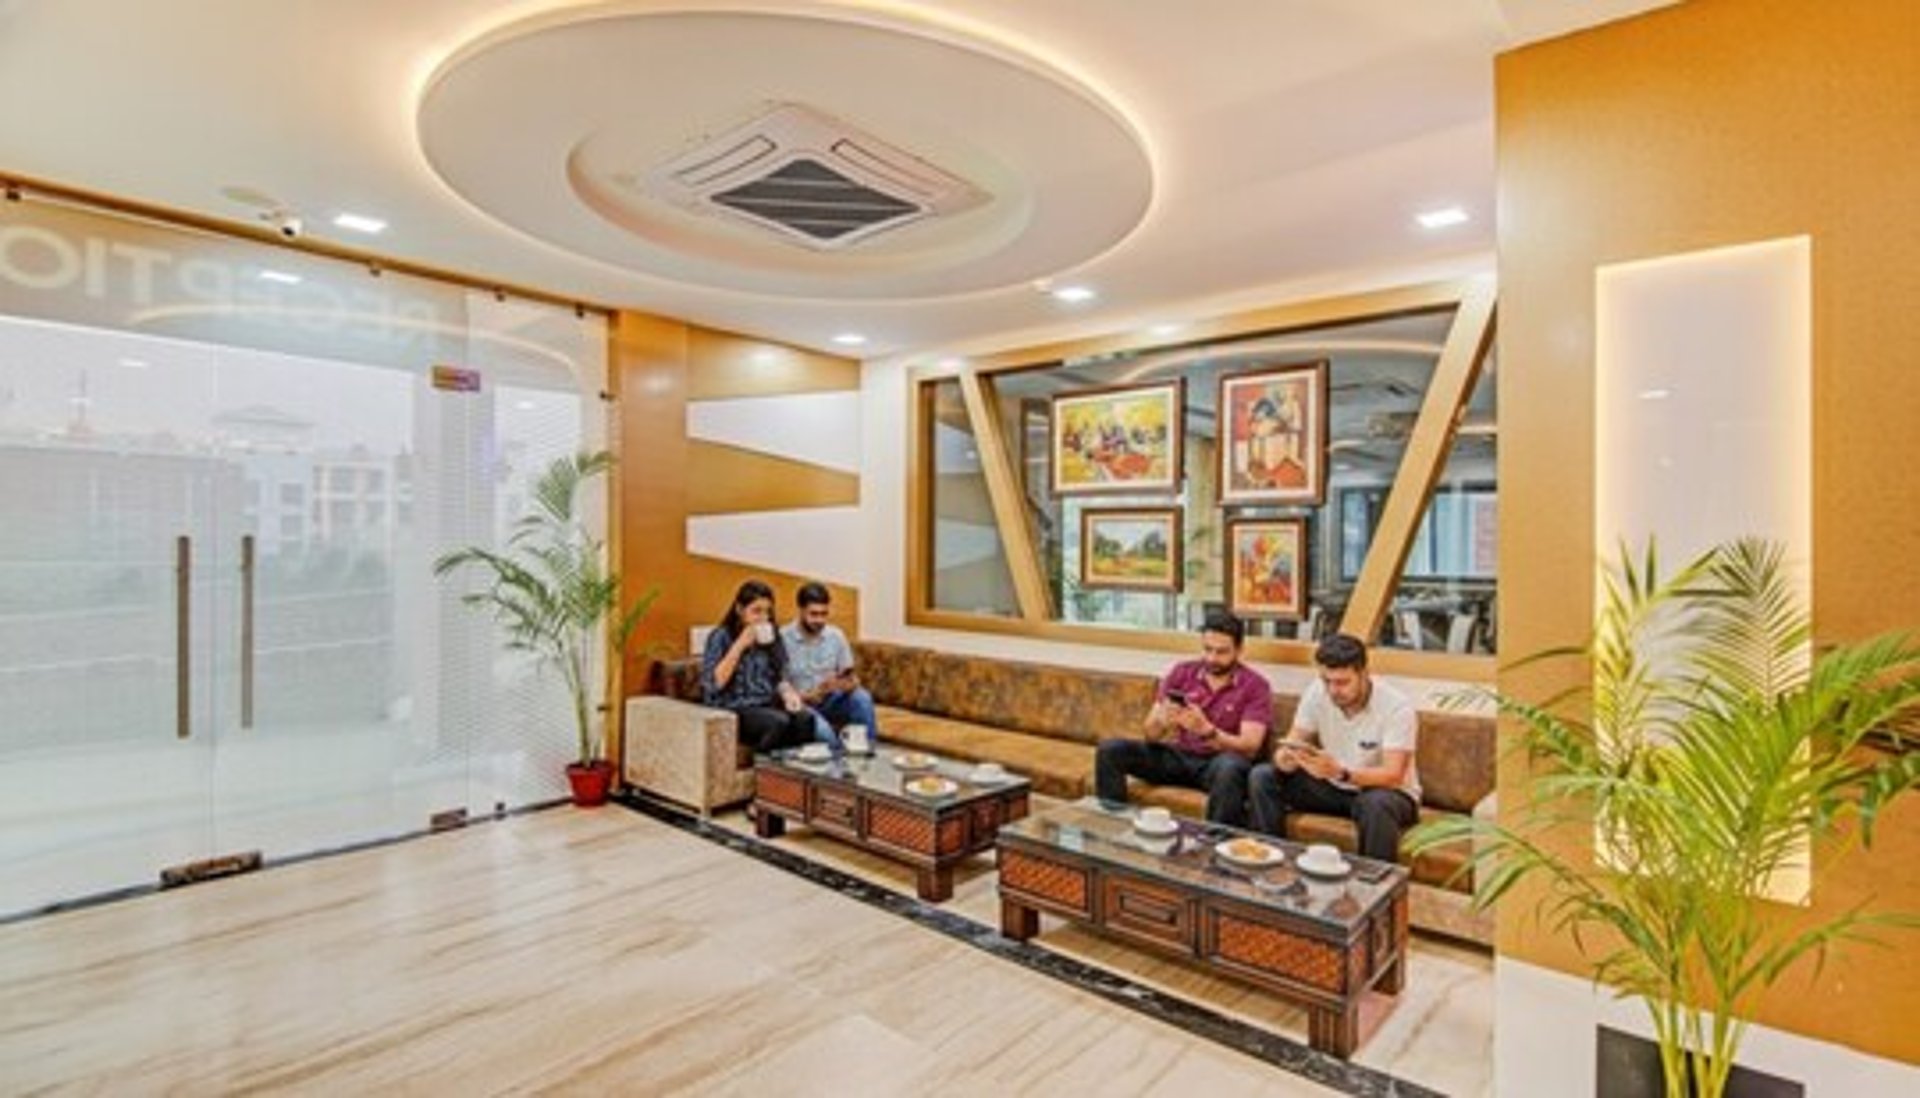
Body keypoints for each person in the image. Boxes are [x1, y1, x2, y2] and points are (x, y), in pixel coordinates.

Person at [1249, 633, 1421, 862]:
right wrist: (1285, 759)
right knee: (1263, 776)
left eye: (1342, 682)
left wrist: (1341, 773)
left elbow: (1393, 775)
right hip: (1333, 786)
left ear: (1364, 673)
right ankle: (1269, 863)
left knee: (1375, 804)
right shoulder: (1317, 692)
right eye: (1326, 681)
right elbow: (1293, 740)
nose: (1333, 690)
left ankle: (1374, 881)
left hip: (1386, 793)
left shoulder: (1396, 706)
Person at [1093, 612, 1272, 825]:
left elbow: (1250, 747)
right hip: (1178, 756)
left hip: (1216, 764)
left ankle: (1215, 840)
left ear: (1240, 650)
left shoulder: (1255, 686)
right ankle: (1113, 826)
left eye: (1222, 652)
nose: (1212, 658)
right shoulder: (1182, 673)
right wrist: (1161, 722)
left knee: (1231, 767)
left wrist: (1208, 731)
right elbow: (1150, 735)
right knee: (1110, 749)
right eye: (1207, 649)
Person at [701, 579, 830, 753]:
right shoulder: (721, 636)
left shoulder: (772, 635)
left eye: (767, 611)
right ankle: (763, 767)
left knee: (805, 719)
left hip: (766, 703)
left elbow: (779, 675)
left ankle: (795, 767)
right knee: (777, 723)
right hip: (733, 707)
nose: (763, 618)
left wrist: (788, 694)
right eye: (756, 611)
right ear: (739, 609)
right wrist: (740, 644)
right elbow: (715, 683)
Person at [781, 581, 878, 747]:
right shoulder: (783, 638)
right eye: (814, 614)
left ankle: (867, 752)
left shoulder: (836, 636)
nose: (819, 620)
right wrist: (806, 696)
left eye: (824, 614)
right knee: (826, 735)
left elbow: (851, 676)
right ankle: (838, 758)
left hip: (831, 700)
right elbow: (777, 685)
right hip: (801, 703)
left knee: (862, 698)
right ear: (801, 610)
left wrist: (849, 684)